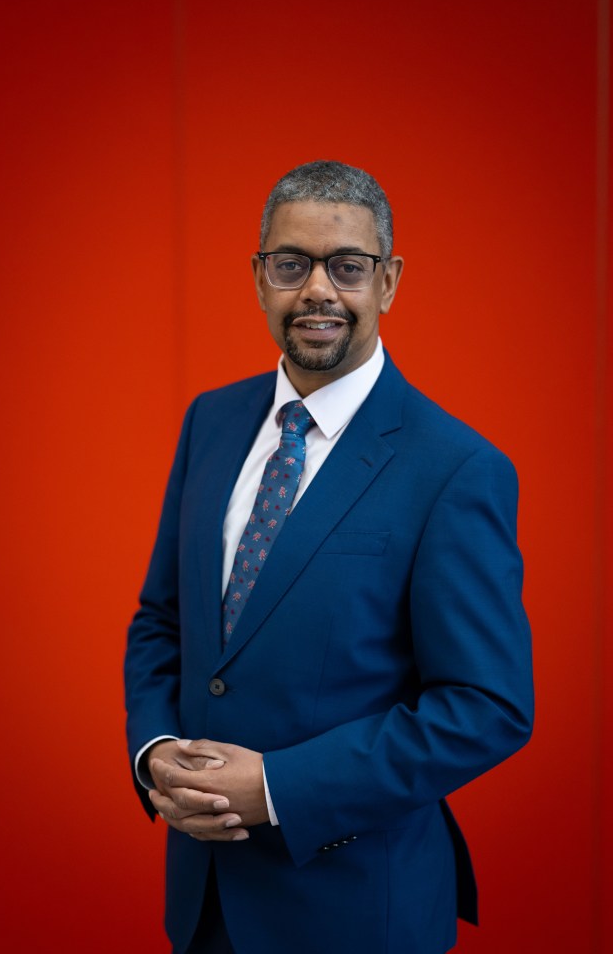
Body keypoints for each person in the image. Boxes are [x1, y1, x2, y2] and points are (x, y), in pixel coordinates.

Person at [125, 160, 534, 954]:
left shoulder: (456, 467)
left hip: (353, 911)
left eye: (347, 266)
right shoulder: (211, 421)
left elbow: (488, 707)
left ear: (388, 282)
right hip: (204, 903)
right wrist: (155, 754)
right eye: (291, 264)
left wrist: (277, 789)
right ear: (259, 277)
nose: (317, 289)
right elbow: (163, 621)